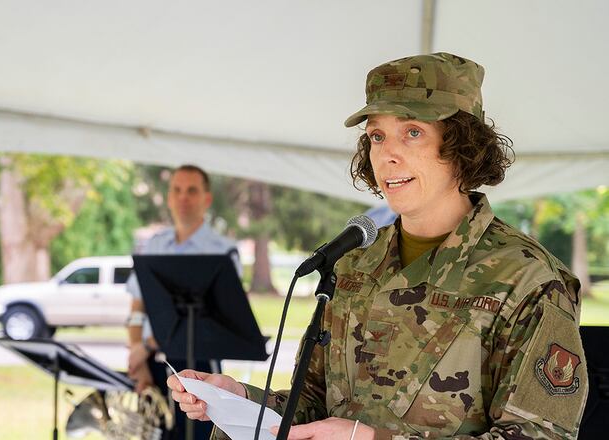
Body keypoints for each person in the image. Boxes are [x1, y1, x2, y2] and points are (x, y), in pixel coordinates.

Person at [168, 52, 588, 439]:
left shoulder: (528, 278)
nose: (388, 156)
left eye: (412, 132)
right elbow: (311, 407)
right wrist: (240, 398)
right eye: (377, 136)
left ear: (463, 145)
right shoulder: (351, 266)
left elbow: (541, 435)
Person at [126, 164, 241, 440]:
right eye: (177, 190)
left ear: (207, 199)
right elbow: (137, 306)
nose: (183, 198)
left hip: (199, 364)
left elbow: (208, 317)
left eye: (192, 191)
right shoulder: (153, 245)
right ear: (168, 197)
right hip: (150, 364)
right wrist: (136, 355)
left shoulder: (223, 251)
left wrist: (145, 346)